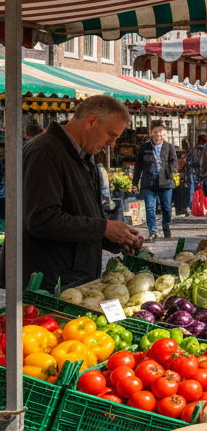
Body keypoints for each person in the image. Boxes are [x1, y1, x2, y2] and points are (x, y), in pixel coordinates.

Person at [15, 95, 142, 289]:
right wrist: (103, 228)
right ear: (91, 121)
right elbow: (41, 218)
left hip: (71, 279)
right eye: (111, 134)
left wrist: (116, 239)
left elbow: (79, 215)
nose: (112, 144)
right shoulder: (46, 151)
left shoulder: (82, 155)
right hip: (48, 283)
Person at [132, 124, 178, 242]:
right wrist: (135, 182)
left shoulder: (169, 147)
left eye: (161, 133)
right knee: (150, 208)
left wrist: (170, 172)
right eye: (156, 132)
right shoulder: (144, 147)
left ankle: (166, 224)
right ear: (151, 134)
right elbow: (138, 166)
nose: (158, 135)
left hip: (165, 182)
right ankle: (153, 232)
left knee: (167, 208)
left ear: (164, 134)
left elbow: (174, 162)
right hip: (149, 182)